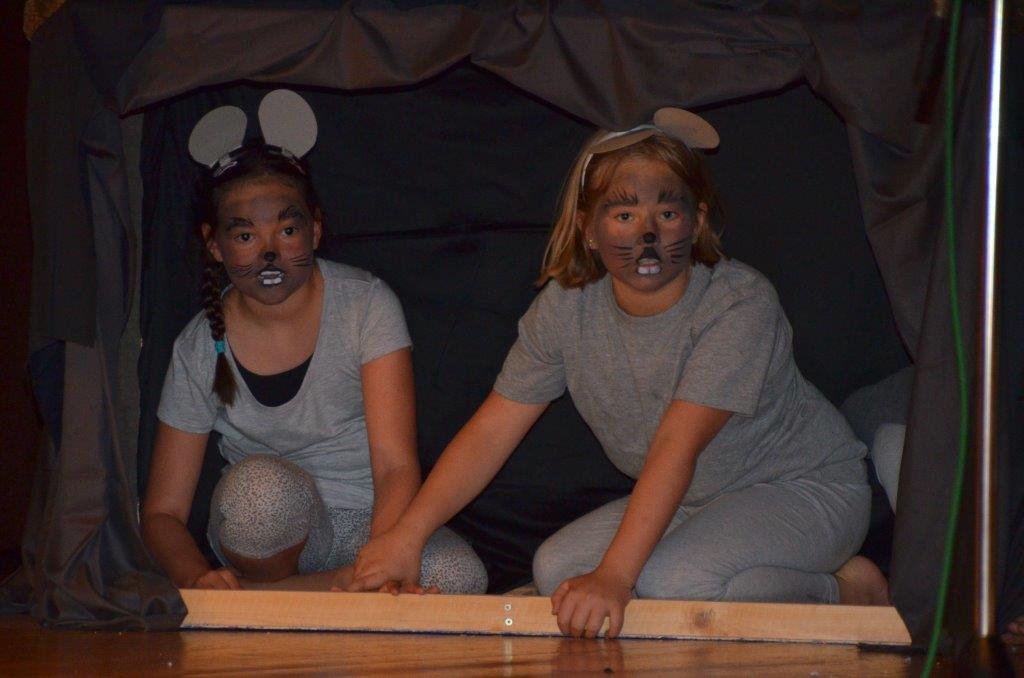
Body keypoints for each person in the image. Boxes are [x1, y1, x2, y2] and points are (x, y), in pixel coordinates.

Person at [346, 111, 888, 635]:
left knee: (673, 582)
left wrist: (614, 577)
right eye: (624, 216)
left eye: (667, 214)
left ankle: (846, 592)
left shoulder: (737, 303)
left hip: (804, 488)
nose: (647, 235)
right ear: (588, 228)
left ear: (698, 220)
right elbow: (492, 430)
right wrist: (408, 534)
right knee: (557, 570)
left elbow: (677, 447)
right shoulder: (567, 306)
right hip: (698, 499)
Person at [140, 141, 487, 594]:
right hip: (270, 527)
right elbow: (162, 512)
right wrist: (197, 578)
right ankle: (302, 594)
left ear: (315, 231)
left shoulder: (365, 305)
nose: (269, 252)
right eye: (245, 236)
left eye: (287, 230)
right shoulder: (199, 346)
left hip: (370, 522)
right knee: (260, 498)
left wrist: (380, 563)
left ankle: (284, 600)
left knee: (459, 580)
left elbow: (394, 466)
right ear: (215, 245)